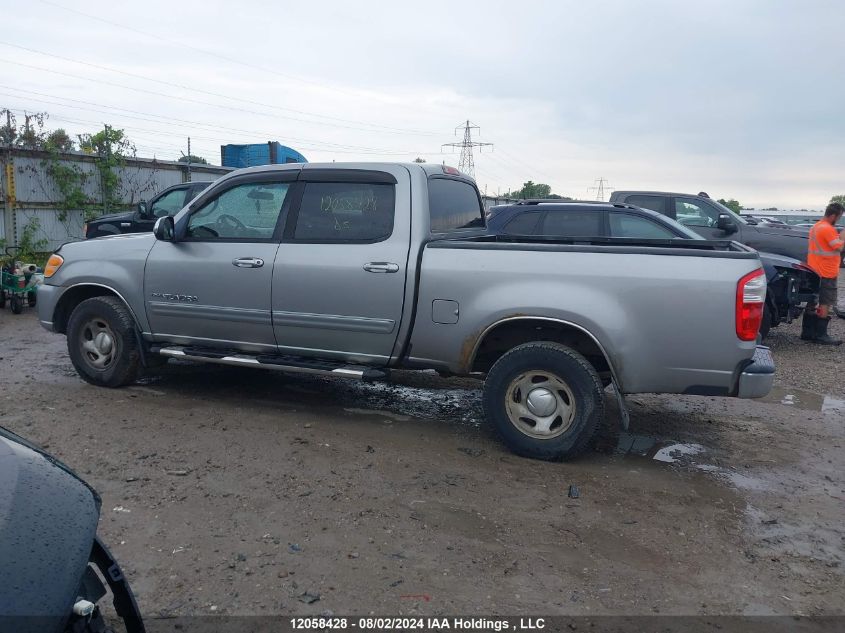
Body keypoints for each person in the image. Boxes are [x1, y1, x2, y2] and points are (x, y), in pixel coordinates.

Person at [801, 202, 845, 344]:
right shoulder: (827, 229)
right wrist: (843, 237)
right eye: (838, 217)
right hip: (827, 271)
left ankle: (807, 332)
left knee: (812, 300)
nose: (838, 219)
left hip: (814, 269)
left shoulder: (816, 227)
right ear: (833, 215)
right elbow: (837, 247)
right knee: (825, 301)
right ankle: (821, 335)